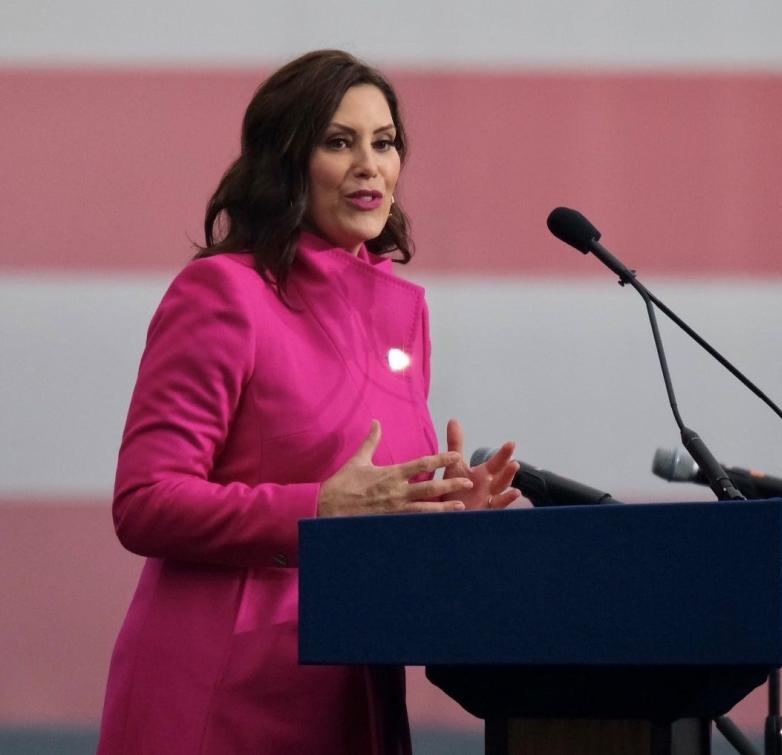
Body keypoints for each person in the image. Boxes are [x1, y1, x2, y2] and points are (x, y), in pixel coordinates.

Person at [98, 50, 520, 755]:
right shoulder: (223, 294)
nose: (369, 165)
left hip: (353, 696)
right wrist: (318, 507)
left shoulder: (399, 319)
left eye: (384, 143)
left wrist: (442, 515)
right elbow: (143, 499)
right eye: (338, 141)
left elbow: (372, 508)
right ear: (288, 162)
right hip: (227, 696)